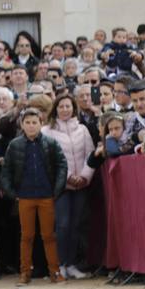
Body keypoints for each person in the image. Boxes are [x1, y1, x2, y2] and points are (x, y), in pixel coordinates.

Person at [0, 108, 67, 286]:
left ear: (41, 123)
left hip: (46, 196)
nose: (31, 126)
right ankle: (24, 273)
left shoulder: (51, 143)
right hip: (25, 197)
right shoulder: (15, 145)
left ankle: (55, 272)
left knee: (49, 236)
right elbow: (5, 173)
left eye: (34, 122)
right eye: (27, 122)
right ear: (22, 124)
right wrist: (14, 195)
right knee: (26, 236)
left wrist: (56, 190)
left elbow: (62, 165)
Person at [44, 94, 94, 279]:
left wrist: (84, 176)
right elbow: (50, 160)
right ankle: (60, 264)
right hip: (61, 186)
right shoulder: (47, 131)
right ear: (55, 109)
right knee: (63, 225)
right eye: (61, 106)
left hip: (81, 184)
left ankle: (71, 263)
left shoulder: (82, 130)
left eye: (68, 106)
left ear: (73, 108)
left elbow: (90, 155)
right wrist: (67, 177)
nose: (65, 109)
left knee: (76, 225)